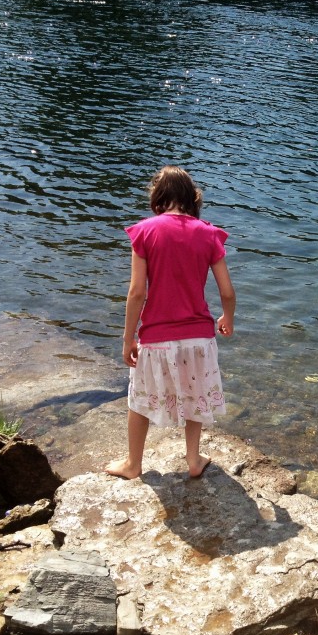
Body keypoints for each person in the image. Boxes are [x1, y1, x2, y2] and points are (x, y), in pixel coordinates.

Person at [105, 166, 236, 480]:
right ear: (192, 199)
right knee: (196, 395)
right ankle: (193, 459)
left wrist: (128, 338)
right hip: (199, 338)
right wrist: (227, 317)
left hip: (157, 336)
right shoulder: (209, 234)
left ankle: (133, 464)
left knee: (139, 399)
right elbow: (227, 291)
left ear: (158, 198)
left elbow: (137, 292)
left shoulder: (145, 232)